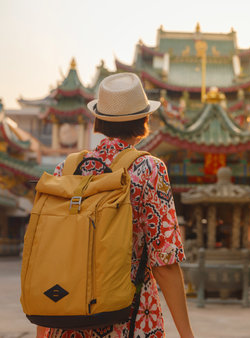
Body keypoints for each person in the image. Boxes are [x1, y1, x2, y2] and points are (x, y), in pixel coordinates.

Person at [41, 73, 194, 338]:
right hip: (130, 318)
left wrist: (43, 331)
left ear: (98, 120)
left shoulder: (64, 170)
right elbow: (165, 261)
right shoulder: (149, 169)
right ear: (145, 121)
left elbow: (50, 256)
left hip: (67, 316)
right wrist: (187, 334)